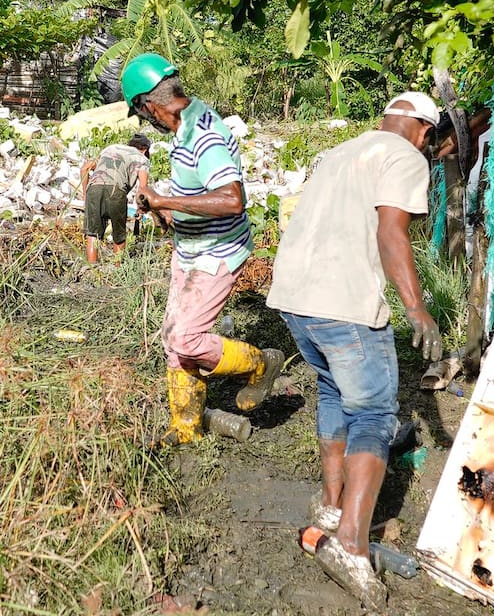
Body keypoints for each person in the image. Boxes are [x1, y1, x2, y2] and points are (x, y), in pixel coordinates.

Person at [264, 91, 444, 609]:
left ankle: (330, 506)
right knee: (374, 414)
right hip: (343, 304)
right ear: (424, 132)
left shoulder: (341, 151)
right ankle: (349, 543)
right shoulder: (405, 155)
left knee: (333, 392)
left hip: (296, 301)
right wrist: (416, 308)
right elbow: (393, 232)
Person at [121, 52, 284, 447]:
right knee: (172, 338)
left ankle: (261, 364)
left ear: (148, 106)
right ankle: (187, 427)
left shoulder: (202, 134)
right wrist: (158, 205)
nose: (145, 122)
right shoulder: (184, 127)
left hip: (217, 250)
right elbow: (194, 190)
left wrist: (165, 202)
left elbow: (232, 198)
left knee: (187, 339)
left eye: (141, 114)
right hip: (191, 247)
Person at [79, 133, 151, 263]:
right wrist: (141, 208)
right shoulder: (142, 159)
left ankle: (91, 270)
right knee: (119, 236)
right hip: (116, 191)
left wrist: (85, 194)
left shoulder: (111, 148)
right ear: (145, 149)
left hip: (94, 188)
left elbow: (85, 169)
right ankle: (117, 270)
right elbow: (143, 188)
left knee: (92, 234)